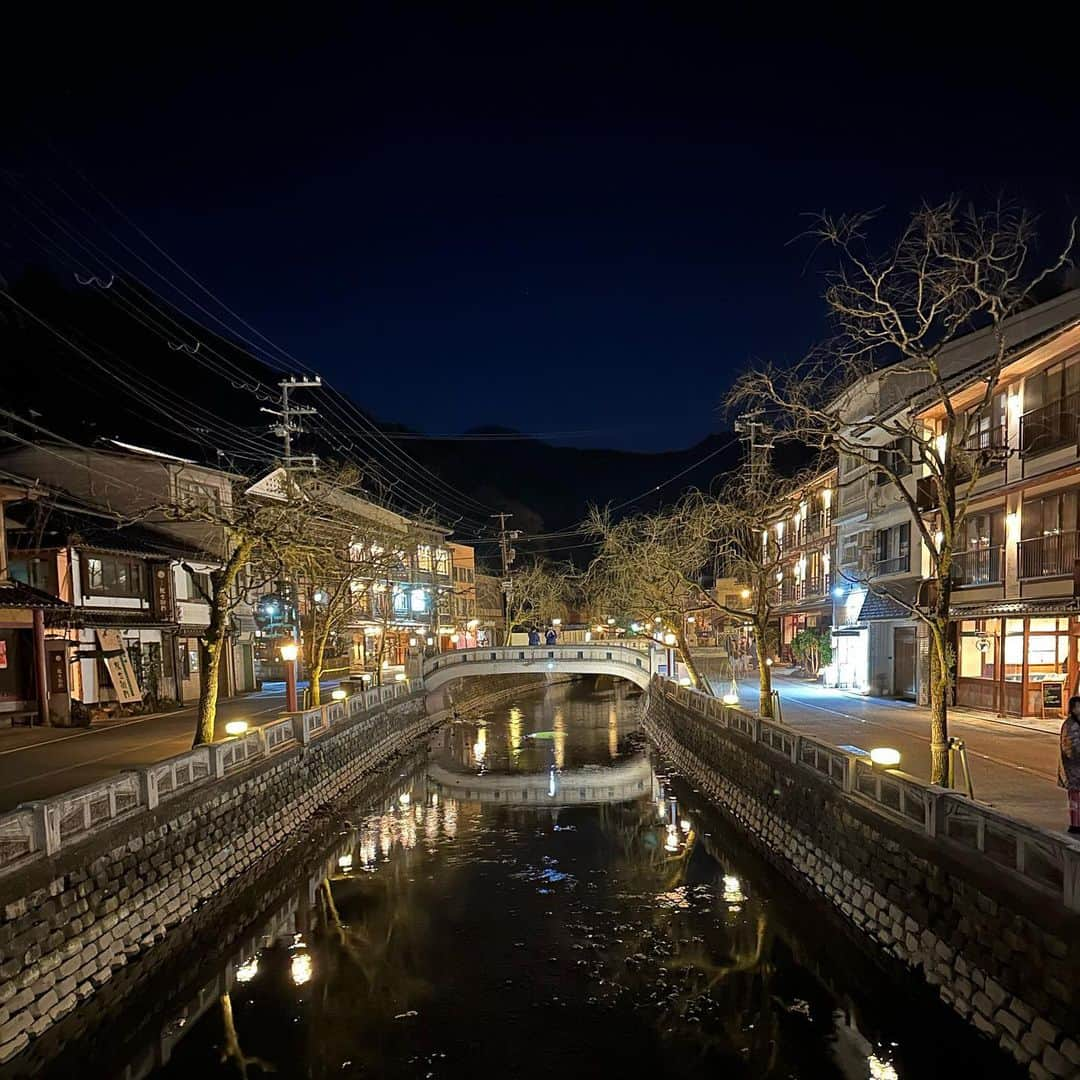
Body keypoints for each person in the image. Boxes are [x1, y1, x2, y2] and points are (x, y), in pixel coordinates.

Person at [1059, 697, 1080, 835]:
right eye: (1078, 707)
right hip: (1073, 769)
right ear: (1072, 709)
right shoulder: (1070, 725)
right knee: (1074, 797)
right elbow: (1070, 747)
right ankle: (1075, 824)